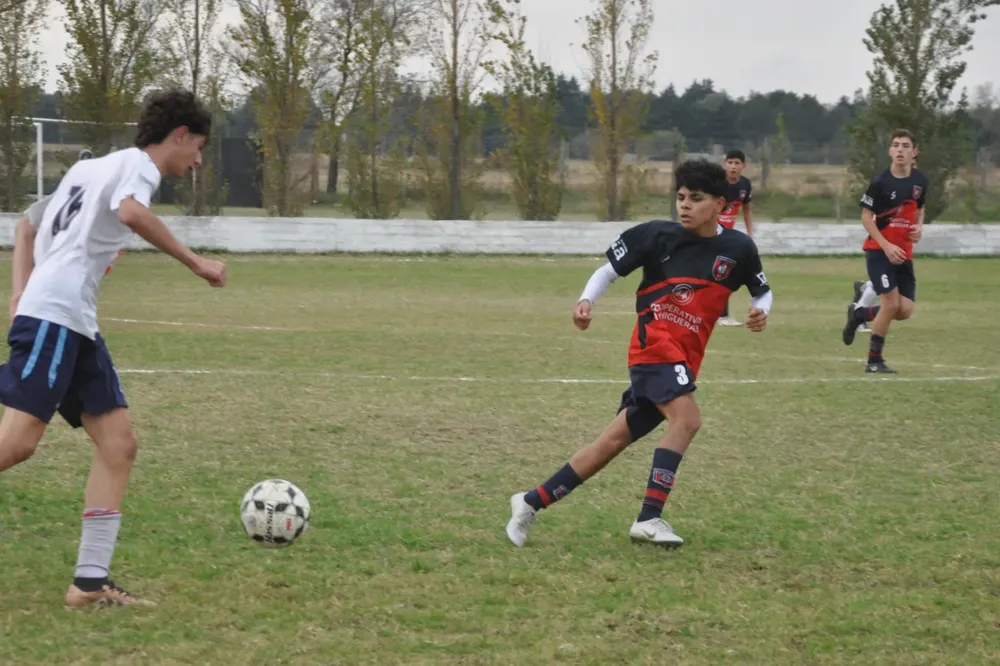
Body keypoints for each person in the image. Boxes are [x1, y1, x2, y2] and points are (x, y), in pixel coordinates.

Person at [0, 89, 227, 609]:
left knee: (119, 445)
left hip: (73, 321)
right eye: (198, 148)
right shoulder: (139, 168)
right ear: (180, 136)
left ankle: (89, 583)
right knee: (16, 444)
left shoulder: (91, 168)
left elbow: (28, 223)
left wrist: (19, 290)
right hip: (55, 315)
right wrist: (197, 262)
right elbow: (130, 213)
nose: (197, 161)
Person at [505, 159, 773, 549]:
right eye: (680, 197)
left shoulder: (738, 248)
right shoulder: (655, 236)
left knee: (612, 441)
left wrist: (761, 311)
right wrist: (586, 300)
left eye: (696, 199)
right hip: (654, 347)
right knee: (687, 420)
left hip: (685, 358)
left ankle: (531, 501)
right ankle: (649, 518)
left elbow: (762, 291)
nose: (685, 205)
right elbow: (608, 271)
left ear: (720, 203)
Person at [841, 129, 928, 374]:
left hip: (904, 254)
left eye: (905, 146)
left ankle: (860, 314)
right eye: (896, 145)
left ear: (914, 152)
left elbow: (920, 208)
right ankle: (874, 361)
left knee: (904, 310)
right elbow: (866, 218)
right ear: (890, 151)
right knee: (890, 304)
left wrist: (919, 228)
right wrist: (886, 245)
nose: (900, 150)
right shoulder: (880, 182)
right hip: (879, 252)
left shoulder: (920, 181)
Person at [716, 150, 754, 326]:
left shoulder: (745, 184)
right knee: (722, 272)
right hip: (712, 235)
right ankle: (722, 316)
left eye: (737, 163)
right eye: (730, 162)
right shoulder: (717, 183)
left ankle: (722, 315)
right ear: (725, 164)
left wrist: (750, 234)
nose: (733, 166)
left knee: (725, 273)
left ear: (743, 166)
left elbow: (746, 209)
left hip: (727, 236)